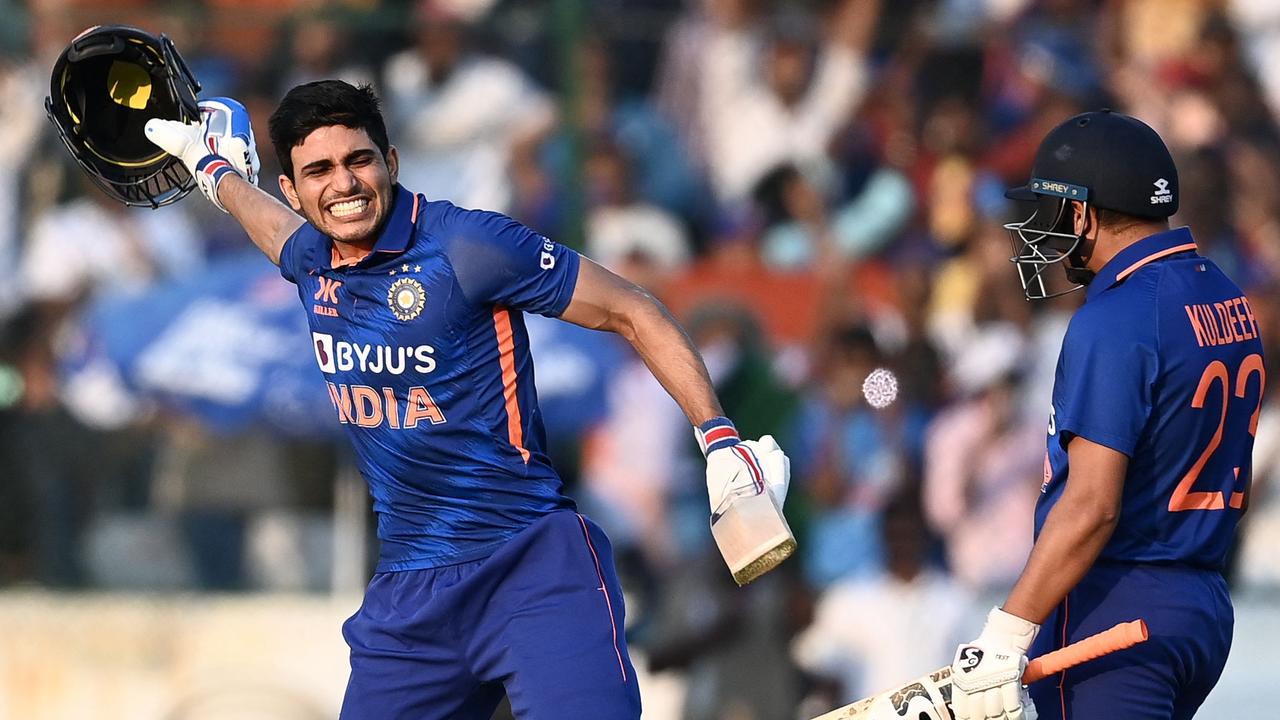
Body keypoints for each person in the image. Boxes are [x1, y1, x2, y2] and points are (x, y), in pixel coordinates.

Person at [143, 81, 790, 719]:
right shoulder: (311, 254)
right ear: (293, 188)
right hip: (409, 597)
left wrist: (719, 440)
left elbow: (632, 309)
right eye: (318, 170)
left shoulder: (467, 245)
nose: (343, 184)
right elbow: (272, 227)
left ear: (390, 162)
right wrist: (212, 169)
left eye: (358, 160)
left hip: (532, 568)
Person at [946, 109, 1264, 720]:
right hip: (1201, 601)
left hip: (1117, 606)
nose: (1040, 231)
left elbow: (1092, 505)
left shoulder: (1115, 317)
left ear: (1084, 212)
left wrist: (1007, 633)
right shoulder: (1222, 289)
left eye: (1051, 209)